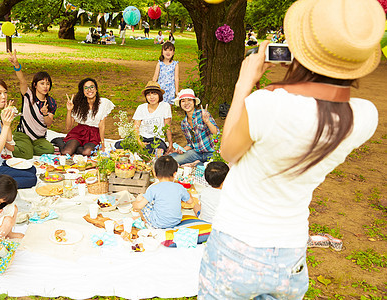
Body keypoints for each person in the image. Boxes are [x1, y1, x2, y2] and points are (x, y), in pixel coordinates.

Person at [198, 0, 384, 298]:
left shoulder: (269, 105)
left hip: (235, 246)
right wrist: (307, 71)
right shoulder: (364, 116)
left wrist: (244, 83)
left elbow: (228, 153)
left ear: (299, 52)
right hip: (290, 254)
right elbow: (328, 100)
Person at [8, 50, 57, 159]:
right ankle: (11, 145)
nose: (45, 86)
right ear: (35, 85)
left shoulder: (51, 102)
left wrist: (45, 114)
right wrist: (17, 65)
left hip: (39, 138)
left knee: (50, 149)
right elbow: (22, 81)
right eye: (42, 83)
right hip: (23, 134)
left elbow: (48, 123)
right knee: (27, 155)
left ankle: (26, 148)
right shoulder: (28, 95)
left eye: (48, 84)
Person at [53, 78, 115, 156]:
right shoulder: (78, 104)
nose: (89, 90)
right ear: (83, 92)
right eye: (86, 88)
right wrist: (69, 110)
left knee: (87, 152)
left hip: (93, 134)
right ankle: (60, 141)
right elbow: (68, 127)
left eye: (92, 87)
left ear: (96, 89)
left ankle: (76, 147)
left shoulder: (103, 103)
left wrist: (102, 143)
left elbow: (101, 125)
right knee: (66, 152)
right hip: (79, 131)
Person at [132, 156, 193, 229]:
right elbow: (190, 201)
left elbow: (139, 206)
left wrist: (134, 203)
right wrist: (188, 194)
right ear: (174, 174)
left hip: (158, 223)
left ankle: (145, 219)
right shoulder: (179, 187)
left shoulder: (154, 188)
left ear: (155, 174)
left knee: (140, 197)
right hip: (176, 222)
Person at [114, 81, 173, 154]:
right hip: (141, 137)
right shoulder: (141, 107)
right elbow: (136, 127)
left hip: (156, 139)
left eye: (154, 94)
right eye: (148, 94)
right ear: (146, 96)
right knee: (118, 145)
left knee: (159, 148)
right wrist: (139, 142)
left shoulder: (165, 106)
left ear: (159, 95)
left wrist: (170, 144)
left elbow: (167, 127)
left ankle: (137, 151)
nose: (151, 97)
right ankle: (139, 150)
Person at [170, 89, 219, 165]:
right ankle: (197, 163)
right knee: (171, 158)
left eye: (189, 100)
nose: (186, 103)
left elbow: (216, 132)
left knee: (212, 168)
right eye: (183, 101)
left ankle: (198, 164)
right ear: (180, 104)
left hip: (211, 153)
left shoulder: (202, 114)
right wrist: (182, 150)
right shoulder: (184, 123)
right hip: (196, 154)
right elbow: (190, 143)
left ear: (194, 102)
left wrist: (207, 121)